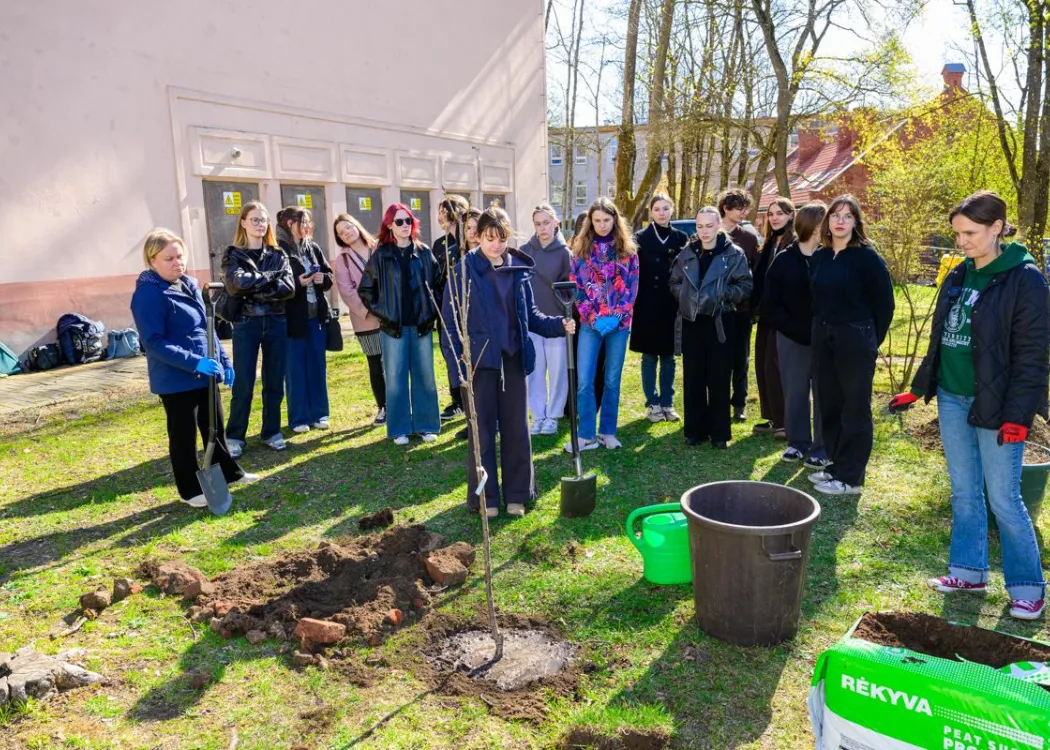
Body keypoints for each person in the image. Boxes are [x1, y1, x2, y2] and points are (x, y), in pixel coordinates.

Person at [889, 191, 1049, 620]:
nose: (961, 242)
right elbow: (942, 336)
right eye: (957, 234)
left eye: (970, 233)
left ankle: (1028, 588)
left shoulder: (1025, 279)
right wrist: (920, 387)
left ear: (997, 228)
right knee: (963, 491)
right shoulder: (960, 273)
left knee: (1004, 499)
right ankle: (968, 572)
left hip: (997, 404)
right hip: (952, 397)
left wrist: (1019, 417)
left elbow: (1033, 357)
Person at [442, 207, 575, 518]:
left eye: (501, 239)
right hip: (479, 365)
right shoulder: (464, 271)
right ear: (478, 237)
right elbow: (449, 323)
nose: (496, 245)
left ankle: (517, 494)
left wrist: (558, 325)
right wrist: (458, 366)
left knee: (516, 430)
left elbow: (531, 316)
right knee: (482, 433)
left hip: (513, 361)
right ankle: (485, 497)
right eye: (490, 238)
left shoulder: (518, 270)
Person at [131, 229, 254, 508]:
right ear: (152, 260)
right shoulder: (149, 294)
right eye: (169, 259)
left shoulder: (188, 284)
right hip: (176, 378)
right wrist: (193, 361)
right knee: (183, 437)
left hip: (205, 374)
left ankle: (230, 473)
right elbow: (153, 342)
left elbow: (206, 329)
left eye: (180, 256)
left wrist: (224, 362)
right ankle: (189, 490)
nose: (178, 263)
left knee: (215, 428)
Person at [808, 195, 894, 495]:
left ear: (856, 222)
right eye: (835, 215)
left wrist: (868, 339)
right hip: (823, 336)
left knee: (854, 406)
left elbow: (885, 304)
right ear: (827, 221)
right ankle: (836, 465)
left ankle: (851, 477)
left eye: (847, 216)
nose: (840, 221)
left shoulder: (867, 258)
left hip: (855, 338)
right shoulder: (820, 256)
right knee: (830, 402)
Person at [358, 203, 441, 445]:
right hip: (393, 328)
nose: (405, 225)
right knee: (395, 379)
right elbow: (366, 289)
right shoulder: (381, 255)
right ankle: (399, 429)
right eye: (399, 221)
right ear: (389, 226)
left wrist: (430, 312)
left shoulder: (424, 252)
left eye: (408, 221)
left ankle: (426, 425)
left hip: (421, 326)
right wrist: (384, 313)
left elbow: (438, 285)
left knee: (425, 376)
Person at [670, 206, 753, 448]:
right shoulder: (687, 253)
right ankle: (695, 430)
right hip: (692, 321)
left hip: (720, 321)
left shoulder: (733, 254)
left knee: (719, 377)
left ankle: (719, 433)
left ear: (718, 225)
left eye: (709, 225)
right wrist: (686, 296)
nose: (704, 231)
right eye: (699, 226)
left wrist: (722, 294)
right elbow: (674, 281)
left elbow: (745, 284)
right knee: (693, 377)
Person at [222, 200, 295, 457]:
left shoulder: (278, 254)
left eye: (263, 220)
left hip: (276, 321)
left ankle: (271, 432)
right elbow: (236, 285)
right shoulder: (233, 254)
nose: (260, 224)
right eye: (255, 219)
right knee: (244, 381)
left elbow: (288, 288)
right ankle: (235, 436)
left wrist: (254, 286)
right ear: (243, 222)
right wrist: (269, 278)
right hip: (246, 322)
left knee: (274, 381)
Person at [568, 197, 640, 452]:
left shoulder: (628, 253)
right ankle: (586, 434)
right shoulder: (580, 253)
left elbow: (631, 288)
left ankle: (607, 431)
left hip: (619, 326)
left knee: (612, 380)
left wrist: (617, 316)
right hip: (590, 325)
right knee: (585, 380)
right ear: (590, 222)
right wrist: (593, 317)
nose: (601, 225)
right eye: (597, 220)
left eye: (606, 220)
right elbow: (577, 289)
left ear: (615, 220)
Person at [762, 202, 830, 468]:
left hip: (826, 339)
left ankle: (822, 447)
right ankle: (797, 443)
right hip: (792, 338)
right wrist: (793, 329)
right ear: (812, 226)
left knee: (825, 394)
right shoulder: (785, 260)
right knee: (795, 392)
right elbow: (770, 305)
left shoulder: (831, 257)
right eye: (825, 223)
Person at [632, 192, 690, 423]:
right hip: (646, 303)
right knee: (649, 356)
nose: (661, 213)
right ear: (651, 212)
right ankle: (652, 403)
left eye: (666, 208)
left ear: (672, 210)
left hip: (671, 304)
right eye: (657, 209)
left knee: (669, 356)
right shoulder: (640, 238)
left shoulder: (681, 238)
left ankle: (667, 402)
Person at [276, 206, 333, 434]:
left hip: (316, 318)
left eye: (309, 221)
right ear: (290, 224)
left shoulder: (312, 247)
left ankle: (319, 413)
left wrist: (322, 278)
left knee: (317, 366)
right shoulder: (277, 250)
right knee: (295, 369)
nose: (308, 226)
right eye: (304, 221)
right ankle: (299, 417)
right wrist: (297, 284)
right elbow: (277, 285)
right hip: (292, 320)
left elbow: (329, 275)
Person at [519, 203, 573, 435]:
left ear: (555, 223)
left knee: (558, 372)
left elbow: (571, 288)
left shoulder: (565, 253)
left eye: (546, 223)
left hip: (556, 321)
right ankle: (538, 415)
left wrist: (566, 316)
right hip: (531, 322)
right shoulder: (524, 251)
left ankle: (553, 416)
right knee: (535, 371)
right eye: (538, 224)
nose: (542, 228)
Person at [333, 213, 386, 425]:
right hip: (365, 320)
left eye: (348, 227)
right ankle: (384, 407)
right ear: (339, 238)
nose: (346, 232)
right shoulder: (343, 260)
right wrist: (370, 310)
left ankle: (401, 404)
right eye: (341, 232)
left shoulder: (380, 247)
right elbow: (347, 291)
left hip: (391, 316)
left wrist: (389, 307)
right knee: (375, 363)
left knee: (396, 363)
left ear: (357, 225)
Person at [750, 198, 795, 438]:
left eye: (780, 213)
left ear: (791, 215)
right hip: (766, 313)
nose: (774, 218)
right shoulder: (769, 242)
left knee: (777, 366)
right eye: (771, 214)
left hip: (784, 315)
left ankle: (786, 421)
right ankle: (771, 416)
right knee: (763, 364)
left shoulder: (794, 243)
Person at [718, 188, 762, 422]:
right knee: (718, 357)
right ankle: (718, 401)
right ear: (726, 208)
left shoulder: (749, 238)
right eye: (740, 208)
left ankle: (739, 403)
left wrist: (752, 306)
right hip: (715, 309)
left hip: (742, 309)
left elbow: (754, 274)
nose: (744, 213)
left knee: (740, 357)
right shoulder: (711, 233)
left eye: (746, 208)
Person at [434, 195, 470, 422]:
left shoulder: (469, 241)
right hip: (446, 307)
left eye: (443, 211)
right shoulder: (440, 244)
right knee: (450, 353)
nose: (439, 217)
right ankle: (457, 399)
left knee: (467, 354)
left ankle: (470, 400)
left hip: (468, 308)